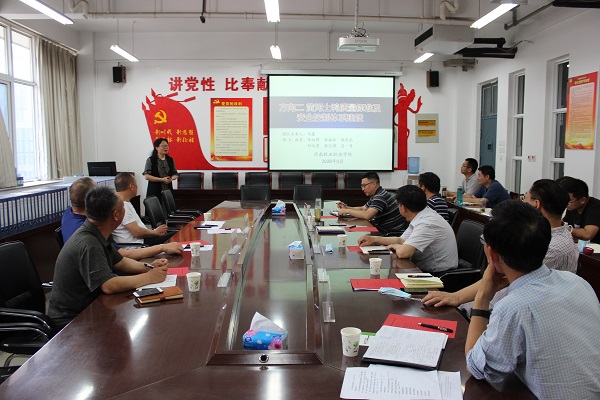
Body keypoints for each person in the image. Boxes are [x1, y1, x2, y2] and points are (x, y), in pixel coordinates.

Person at [464, 200, 600, 400]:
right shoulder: (578, 283)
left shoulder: (513, 308)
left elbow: (476, 366)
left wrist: (482, 297)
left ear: (491, 253)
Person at [423, 179, 580, 308]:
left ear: (536, 205)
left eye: (525, 198)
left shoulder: (542, 245)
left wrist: (456, 297)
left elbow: (498, 279)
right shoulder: (558, 235)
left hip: (498, 308)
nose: (522, 203)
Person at [48, 187, 169, 330]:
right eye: (123, 207)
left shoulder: (98, 231)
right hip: (71, 320)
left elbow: (121, 262)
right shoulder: (88, 242)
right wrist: (149, 277)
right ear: (116, 215)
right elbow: (109, 285)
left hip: (92, 306)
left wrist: (149, 267)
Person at [61, 177, 183, 259]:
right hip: (117, 267)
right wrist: (161, 248)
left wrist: (146, 267)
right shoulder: (89, 231)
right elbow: (122, 257)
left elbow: (118, 260)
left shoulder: (69, 214)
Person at [358, 185, 457, 274]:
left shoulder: (427, 223)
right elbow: (401, 240)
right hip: (424, 268)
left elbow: (403, 253)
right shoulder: (422, 214)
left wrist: (396, 246)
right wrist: (374, 239)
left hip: (439, 274)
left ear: (403, 208)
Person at [113, 172, 177, 246]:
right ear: (131, 186)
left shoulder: (122, 201)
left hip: (144, 239)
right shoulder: (122, 205)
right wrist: (155, 232)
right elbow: (137, 232)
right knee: (177, 235)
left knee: (177, 234)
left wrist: (154, 231)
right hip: (139, 245)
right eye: (136, 183)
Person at [336, 172, 407, 236]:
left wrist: (347, 211)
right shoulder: (378, 194)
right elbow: (363, 209)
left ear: (374, 184)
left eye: (364, 185)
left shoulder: (380, 196)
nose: (363, 189)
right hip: (382, 230)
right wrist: (347, 207)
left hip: (390, 233)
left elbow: (367, 215)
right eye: (362, 186)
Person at [559, 177, 600, 243]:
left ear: (582, 200)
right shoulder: (572, 207)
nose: (566, 204)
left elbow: (587, 234)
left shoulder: (596, 208)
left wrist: (564, 228)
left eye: (569, 201)